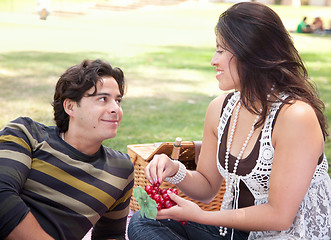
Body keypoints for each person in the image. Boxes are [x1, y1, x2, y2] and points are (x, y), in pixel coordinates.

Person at [128, 2, 331, 240]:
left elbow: (279, 217)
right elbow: (206, 187)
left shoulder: (295, 116)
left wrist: (200, 217)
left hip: (289, 236)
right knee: (144, 221)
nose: (214, 60)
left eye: (221, 51)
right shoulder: (221, 109)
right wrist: (175, 170)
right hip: (233, 234)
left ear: (251, 54)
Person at [0, 59, 134, 240]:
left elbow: (111, 235)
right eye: (103, 99)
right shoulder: (27, 133)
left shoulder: (121, 169)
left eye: (118, 101)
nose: (115, 109)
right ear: (70, 106)